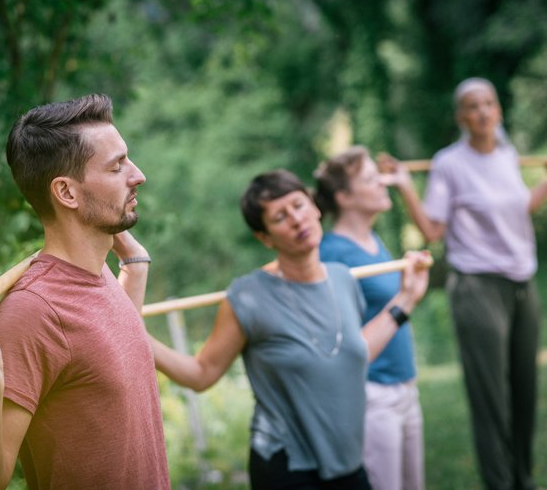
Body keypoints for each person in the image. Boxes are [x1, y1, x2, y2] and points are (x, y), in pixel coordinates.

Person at [0, 94, 171, 489]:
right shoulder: (34, 312)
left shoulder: (100, 275)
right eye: (117, 166)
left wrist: (134, 267)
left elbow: (110, 355)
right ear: (67, 193)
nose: (137, 175)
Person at [149, 169, 431, 489]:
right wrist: (138, 336)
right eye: (280, 217)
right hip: (287, 466)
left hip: (348, 462)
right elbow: (201, 373)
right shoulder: (248, 296)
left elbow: (350, 354)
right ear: (265, 238)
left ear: (315, 207)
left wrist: (406, 299)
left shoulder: (343, 279)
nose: (297, 220)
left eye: (298, 205)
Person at [378, 77, 547, 490]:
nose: (482, 112)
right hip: (477, 287)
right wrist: (407, 185)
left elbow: (516, 211)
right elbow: (432, 229)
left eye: (489, 104)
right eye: (472, 106)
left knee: (524, 390)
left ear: (498, 110)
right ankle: (500, 484)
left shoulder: (507, 156)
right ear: (461, 117)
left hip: (521, 284)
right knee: (491, 398)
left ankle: (523, 479)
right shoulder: (449, 164)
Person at [314, 146, 425, 490]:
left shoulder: (373, 240)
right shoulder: (332, 253)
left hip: (404, 386)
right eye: (370, 179)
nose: (383, 184)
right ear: (344, 197)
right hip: (372, 393)